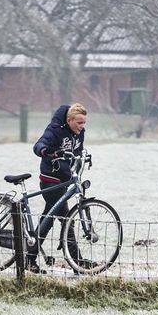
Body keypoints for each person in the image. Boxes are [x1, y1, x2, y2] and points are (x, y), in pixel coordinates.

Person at [30, 103, 93, 272]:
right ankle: (77, 262)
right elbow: (39, 145)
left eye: (84, 123)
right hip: (50, 179)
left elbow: (77, 152)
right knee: (65, 219)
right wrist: (47, 151)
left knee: (50, 219)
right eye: (79, 123)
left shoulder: (80, 134)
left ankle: (29, 257)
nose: (82, 127)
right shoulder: (55, 130)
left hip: (64, 181)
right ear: (69, 120)